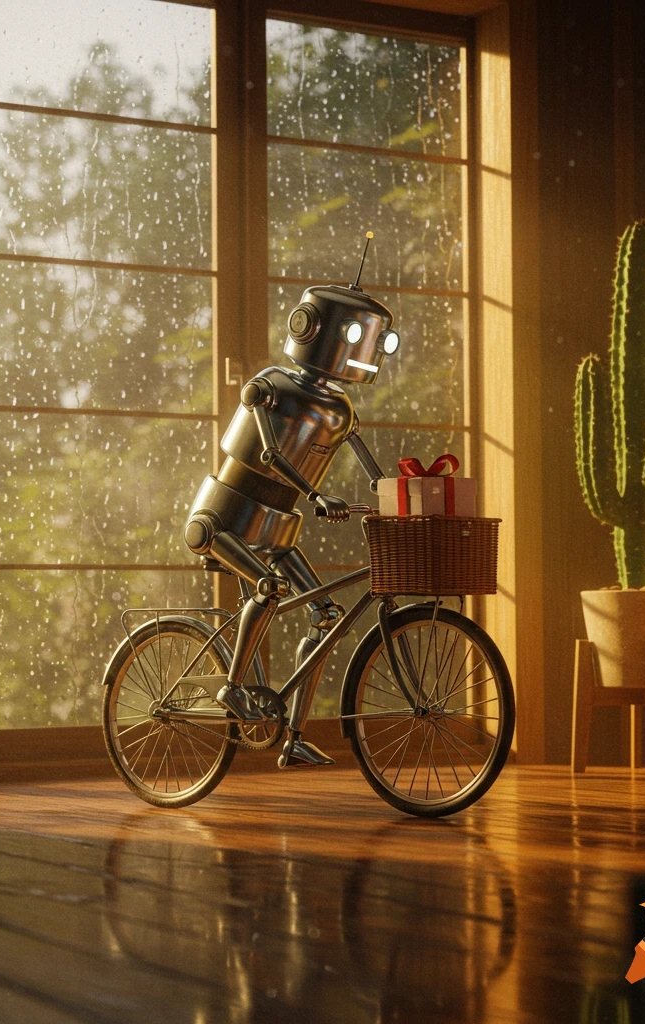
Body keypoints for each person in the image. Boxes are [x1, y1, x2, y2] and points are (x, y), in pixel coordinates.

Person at [183, 240, 401, 767]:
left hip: (279, 528)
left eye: (376, 342)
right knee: (271, 587)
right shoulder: (270, 388)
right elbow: (269, 452)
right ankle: (232, 688)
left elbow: (367, 464)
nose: (366, 349)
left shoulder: (340, 411)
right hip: (224, 518)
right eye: (354, 335)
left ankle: (295, 736)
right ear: (311, 327)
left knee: (325, 614)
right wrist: (316, 494)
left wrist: (394, 495)